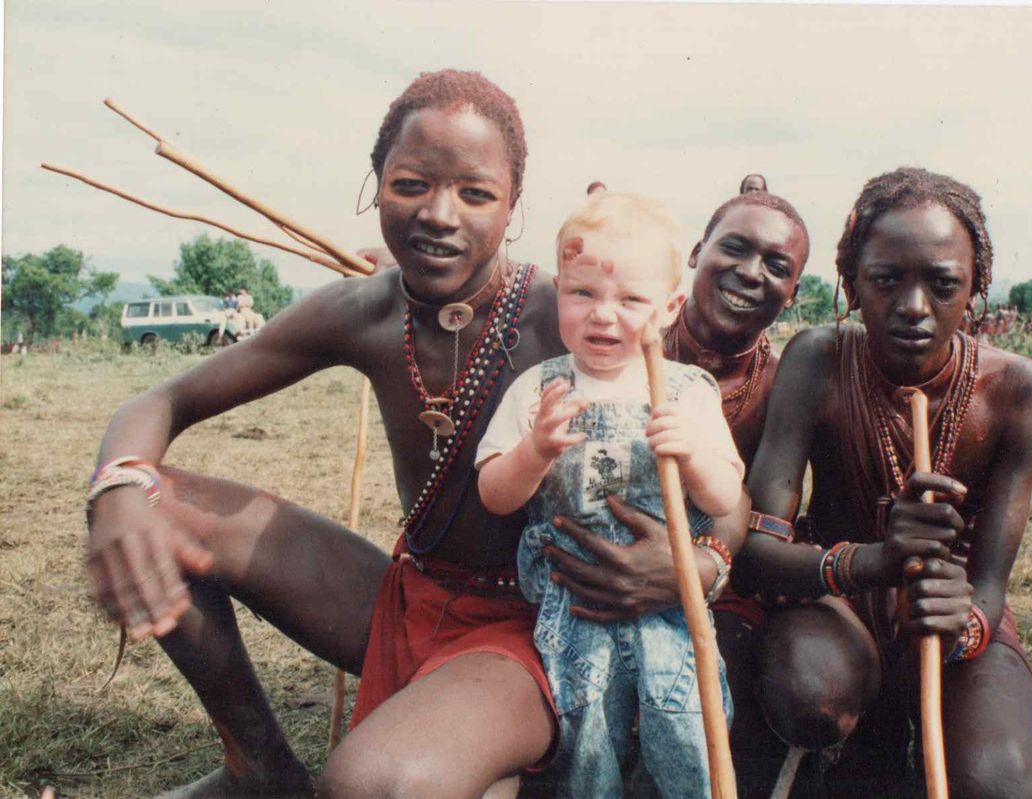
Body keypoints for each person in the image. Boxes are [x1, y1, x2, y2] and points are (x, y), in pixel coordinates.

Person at [85, 69, 745, 799]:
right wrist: (117, 487)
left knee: (370, 785)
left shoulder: (577, 317)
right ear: (376, 186)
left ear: (514, 207)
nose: (438, 214)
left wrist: (701, 563)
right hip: (407, 593)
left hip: (536, 625)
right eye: (410, 185)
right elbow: (163, 398)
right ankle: (258, 771)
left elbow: (723, 487)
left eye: (475, 194)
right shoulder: (363, 310)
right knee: (149, 500)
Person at [739, 168, 1032, 798]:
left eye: (943, 284)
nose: (913, 307)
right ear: (852, 282)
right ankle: (865, 731)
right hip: (833, 598)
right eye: (887, 280)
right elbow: (756, 552)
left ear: (976, 287)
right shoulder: (817, 361)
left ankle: (899, 724)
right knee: (812, 694)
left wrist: (963, 624)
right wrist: (875, 561)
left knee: (1000, 786)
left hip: (946, 606)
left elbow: (989, 586)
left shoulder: (1022, 390)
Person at [476, 191, 743, 798]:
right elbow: (494, 493)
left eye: (630, 300)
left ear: (670, 308)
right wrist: (534, 452)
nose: (603, 315)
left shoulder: (687, 392)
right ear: (558, 291)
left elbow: (725, 496)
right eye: (583, 293)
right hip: (573, 610)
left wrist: (693, 453)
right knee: (586, 737)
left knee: (687, 725)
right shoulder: (538, 390)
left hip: (669, 611)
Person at [663, 190, 811, 797]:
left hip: (725, 592)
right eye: (735, 248)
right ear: (697, 252)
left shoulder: (785, 387)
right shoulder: (621, 342)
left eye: (776, 266)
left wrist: (703, 566)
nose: (752, 273)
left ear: (792, 293)